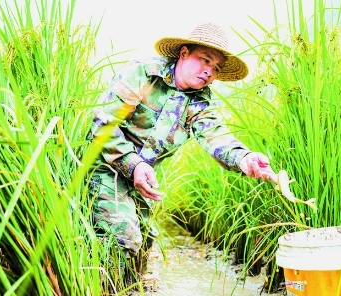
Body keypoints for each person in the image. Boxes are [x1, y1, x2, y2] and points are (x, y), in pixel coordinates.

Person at [85, 22, 276, 284]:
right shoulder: (144, 73)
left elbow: (216, 136)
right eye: (204, 60)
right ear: (184, 54)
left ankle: (128, 287)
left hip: (140, 180)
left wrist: (245, 159)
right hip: (103, 164)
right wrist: (135, 165)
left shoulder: (200, 101)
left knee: (143, 245)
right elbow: (103, 125)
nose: (209, 70)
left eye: (216, 68)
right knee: (124, 238)